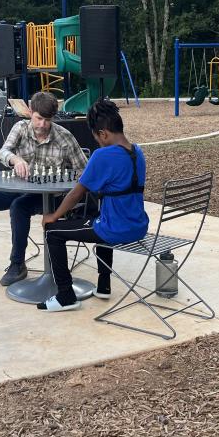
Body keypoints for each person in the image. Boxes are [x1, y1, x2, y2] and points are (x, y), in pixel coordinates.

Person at [0, 91, 88, 285]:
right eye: (39, 118)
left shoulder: (64, 137)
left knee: (19, 206)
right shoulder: (20, 127)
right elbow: (3, 152)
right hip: (20, 188)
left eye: (47, 120)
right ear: (30, 112)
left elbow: (85, 171)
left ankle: (17, 264)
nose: (42, 124)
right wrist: (15, 159)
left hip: (49, 197)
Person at [38, 99, 150, 312]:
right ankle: (103, 285)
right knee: (98, 214)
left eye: (97, 138)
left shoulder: (103, 155)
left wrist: (54, 215)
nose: (98, 142)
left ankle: (65, 296)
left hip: (115, 229)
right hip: (138, 225)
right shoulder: (137, 152)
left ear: (104, 133)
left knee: (53, 232)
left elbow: (77, 193)